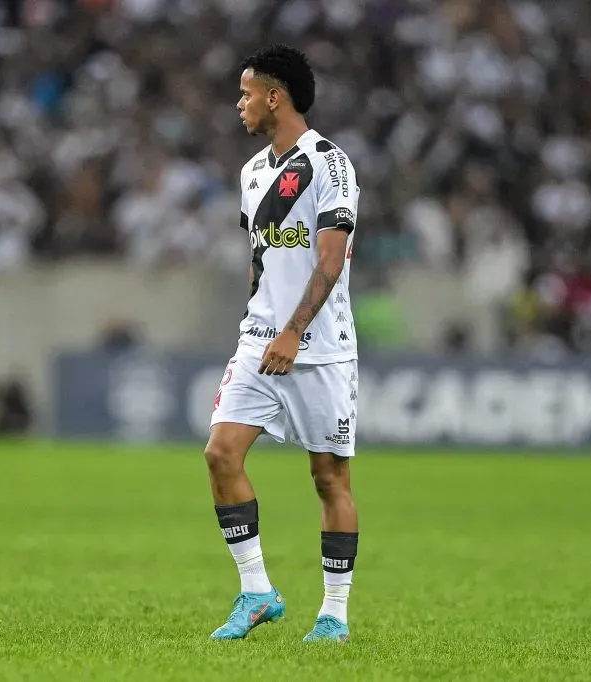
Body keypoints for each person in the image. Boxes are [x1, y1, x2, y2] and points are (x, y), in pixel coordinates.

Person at [206, 45, 361, 643]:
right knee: (221, 454)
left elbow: (330, 257)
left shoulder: (331, 164)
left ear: (275, 96)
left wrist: (295, 331)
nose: (239, 104)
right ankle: (257, 592)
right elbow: (261, 259)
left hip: (320, 347)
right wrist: (261, 322)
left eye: (246, 93)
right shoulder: (251, 173)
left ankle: (334, 616)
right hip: (259, 343)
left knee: (329, 480)